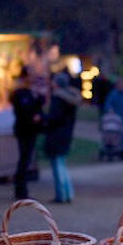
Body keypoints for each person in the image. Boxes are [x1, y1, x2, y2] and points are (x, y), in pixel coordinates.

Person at [45, 71, 81, 203]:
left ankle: (61, 194)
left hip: (56, 134)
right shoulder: (71, 99)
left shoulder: (58, 99)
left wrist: (44, 119)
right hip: (66, 134)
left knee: (57, 165)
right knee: (62, 164)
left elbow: (54, 117)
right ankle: (68, 193)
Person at [10, 68, 44, 200]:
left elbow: (38, 106)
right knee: (24, 159)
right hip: (25, 129)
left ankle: (22, 188)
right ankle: (20, 189)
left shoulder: (31, 93)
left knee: (26, 159)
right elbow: (23, 110)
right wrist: (32, 117)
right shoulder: (20, 94)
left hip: (30, 130)